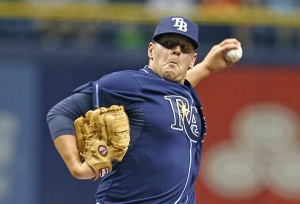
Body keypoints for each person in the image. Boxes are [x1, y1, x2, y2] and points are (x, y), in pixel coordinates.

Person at [47, 16, 241, 204]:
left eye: (185, 48)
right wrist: (76, 166)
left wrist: (206, 67)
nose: (176, 51)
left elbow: (173, 88)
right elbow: (60, 112)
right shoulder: (130, 83)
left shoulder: (184, 91)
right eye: (168, 43)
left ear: (192, 59)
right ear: (151, 49)